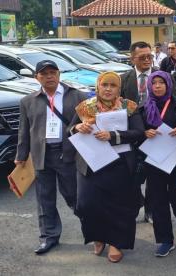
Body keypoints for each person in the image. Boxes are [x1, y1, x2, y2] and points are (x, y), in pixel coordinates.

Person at [71, 72, 145, 263]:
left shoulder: (129, 107)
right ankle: (98, 236)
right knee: (87, 203)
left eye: (113, 86)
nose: (108, 89)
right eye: (105, 85)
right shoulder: (86, 107)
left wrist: (113, 135)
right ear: (98, 87)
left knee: (120, 205)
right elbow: (69, 129)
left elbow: (138, 132)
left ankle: (116, 243)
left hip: (120, 163)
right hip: (91, 162)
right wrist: (77, 128)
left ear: (119, 89)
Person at [15, 60, 87, 255]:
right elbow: (24, 131)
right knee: (44, 198)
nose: (49, 76)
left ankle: (92, 230)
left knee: (74, 195)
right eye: (44, 73)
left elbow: (87, 122)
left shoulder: (76, 96)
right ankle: (49, 237)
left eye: (52, 72)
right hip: (41, 154)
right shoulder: (28, 101)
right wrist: (21, 156)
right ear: (36, 77)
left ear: (59, 74)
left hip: (68, 152)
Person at [139, 71, 176, 257]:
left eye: (162, 82)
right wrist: (145, 133)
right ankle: (165, 240)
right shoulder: (144, 108)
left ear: (169, 84)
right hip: (153, 163)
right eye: (154, 83)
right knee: (158, 202)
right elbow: (136, 132)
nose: (158, 86)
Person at [120, 41, 156, 223]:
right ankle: (136, 204)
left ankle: (150, 209)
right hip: (132, 133)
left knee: (153, 175)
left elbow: (171, 103)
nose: (147, 60)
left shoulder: (161, 76)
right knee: (131, 173)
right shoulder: (123, 79)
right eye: (142, 57)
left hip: (155, 133)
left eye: (149, 56)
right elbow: (118, 105)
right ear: (132, 58)